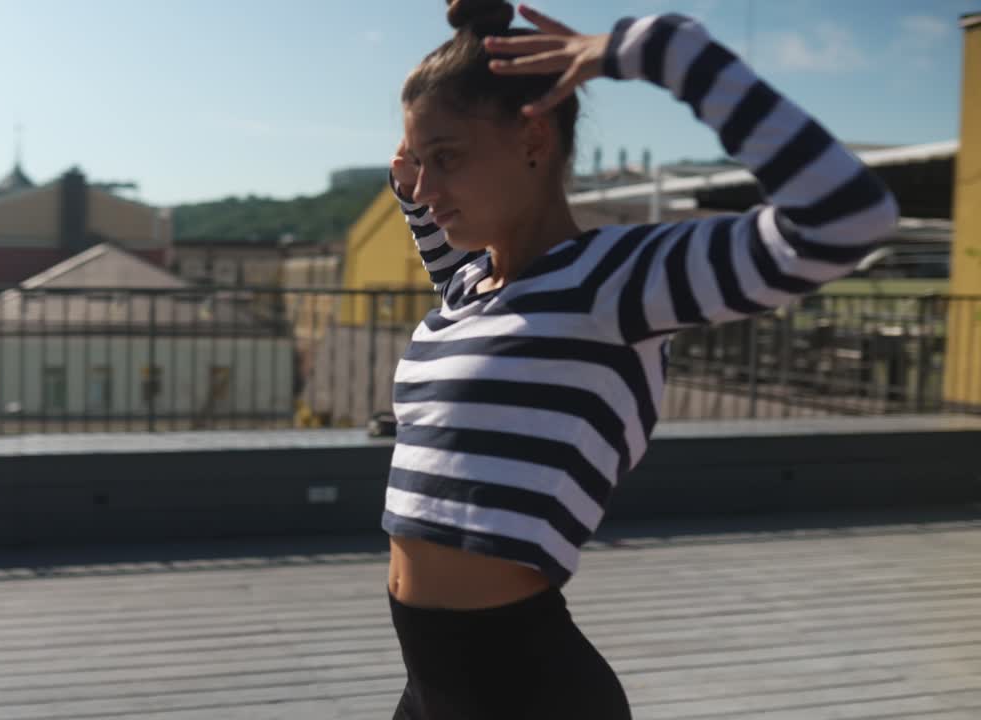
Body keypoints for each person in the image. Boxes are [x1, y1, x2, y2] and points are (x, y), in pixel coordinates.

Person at [383, 1, 899, 718]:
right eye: (422, 165)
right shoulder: (474, 285)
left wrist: (661, 51)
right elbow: (475, 299)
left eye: (450, 159)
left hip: (524, 691)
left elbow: (848, 217)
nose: (429, 190)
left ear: (534, 136)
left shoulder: (617, 282)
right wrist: (411, 179)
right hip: (428, 685)